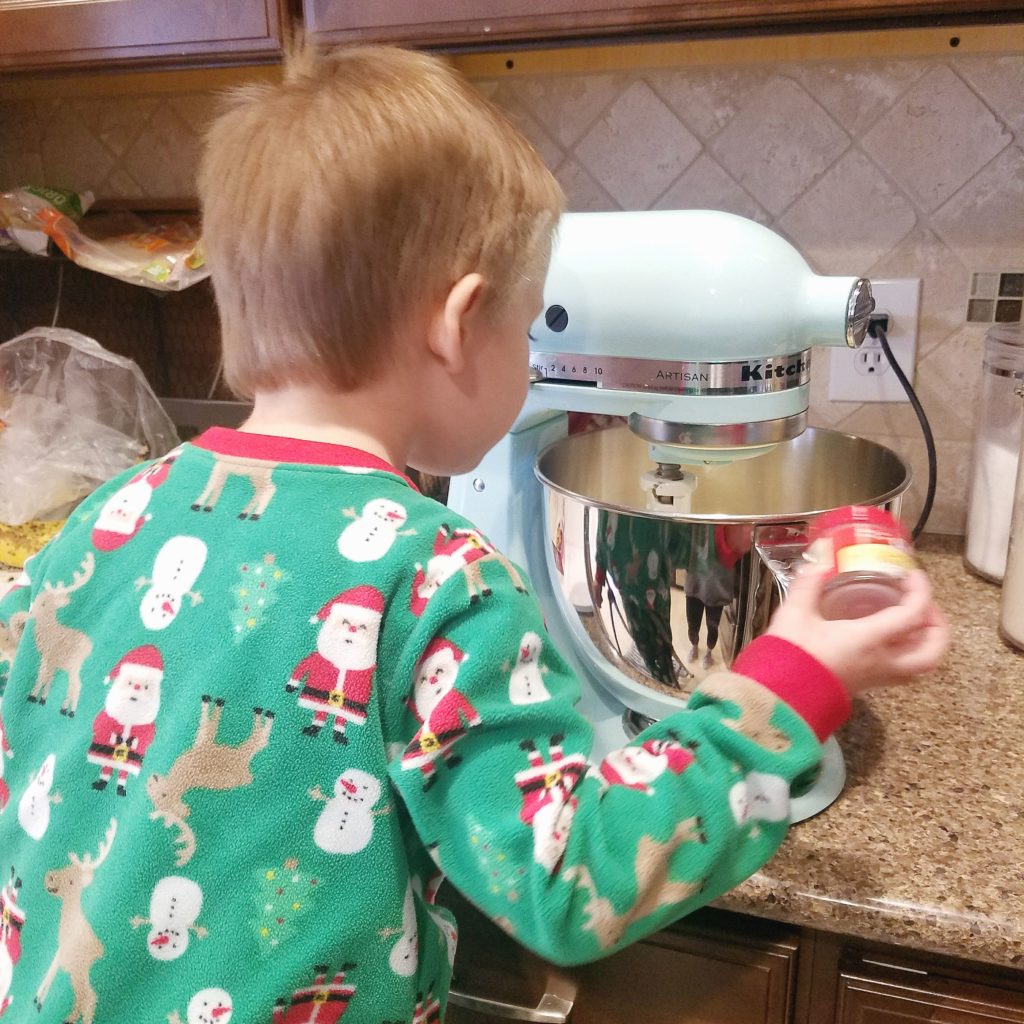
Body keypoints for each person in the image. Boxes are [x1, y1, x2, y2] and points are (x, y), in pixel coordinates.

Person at [0, 43, 949, 1024]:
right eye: (530, 324)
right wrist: (791, 677)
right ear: (459, 325)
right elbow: (570, 876)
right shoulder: (433, 579)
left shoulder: (102, 519)